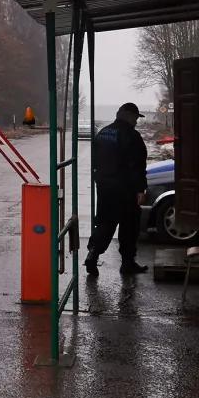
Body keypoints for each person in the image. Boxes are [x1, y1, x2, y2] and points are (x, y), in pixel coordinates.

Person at [85, 102, 149, 277]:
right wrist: (140, 189)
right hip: (125, 189)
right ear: (128, 116)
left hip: (104, 187)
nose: (136, 121)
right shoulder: (131, 136)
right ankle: (127, 263)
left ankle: (93, 253)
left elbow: (94, 159)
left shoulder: (103, 133)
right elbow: (136, 165)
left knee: (105, 222)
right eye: (135, 117)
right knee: (129, 225)